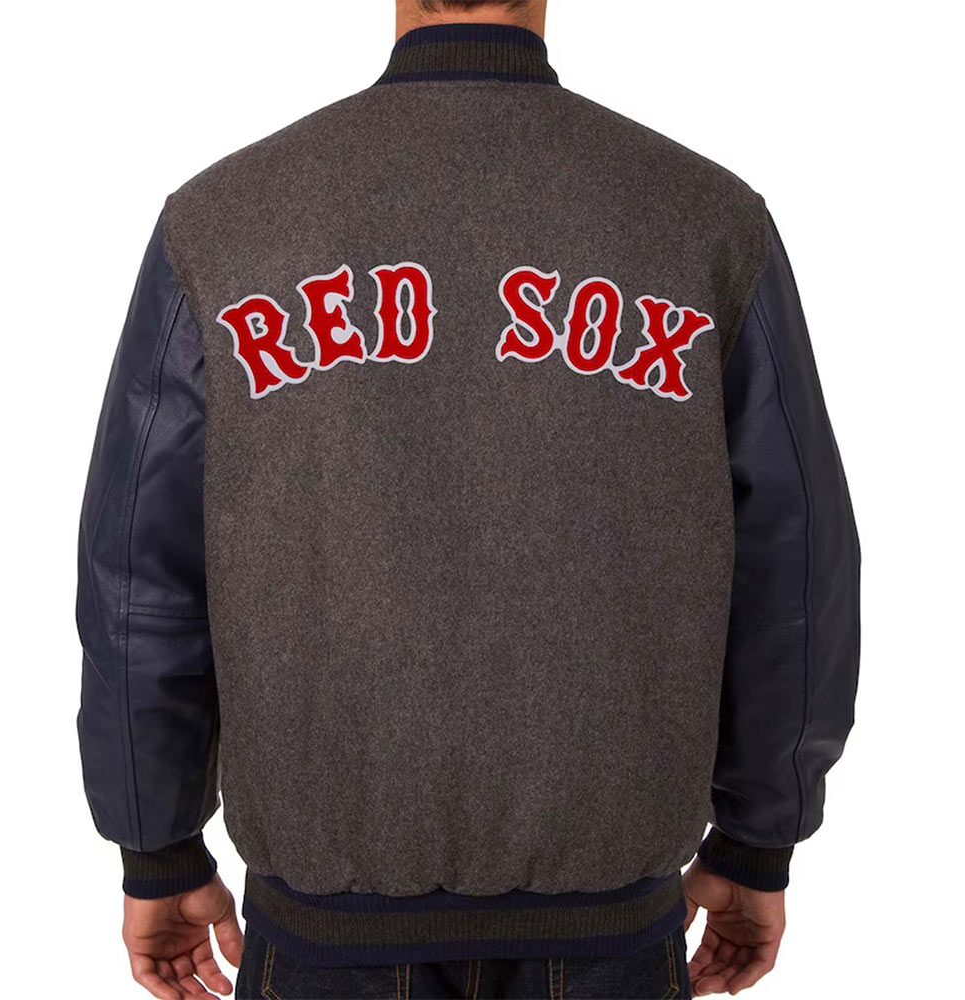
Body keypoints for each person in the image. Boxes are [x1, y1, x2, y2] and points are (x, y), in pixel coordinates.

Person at [75, 1, 860, 997]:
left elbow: (140, 575)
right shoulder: (708, 219)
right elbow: (795, 569)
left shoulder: (220, 221)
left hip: (324, 935)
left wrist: (157, 846)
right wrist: (758, 835)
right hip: (610, 932)